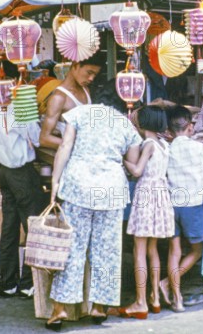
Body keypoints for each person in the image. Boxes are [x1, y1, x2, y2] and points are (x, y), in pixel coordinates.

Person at [47, 104, 142, 330]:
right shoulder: (124, 122)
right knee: (107, 250)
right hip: (111, 188)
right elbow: (132, 160)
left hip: (79, 185)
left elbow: (65, 147)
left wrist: (55, 182)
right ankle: (99, 307)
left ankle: (59, 309)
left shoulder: (79, 113)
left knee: (72, 248)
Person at [0, 83, 48, 299]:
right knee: (33, 226)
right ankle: (27, 283)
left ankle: (7, 282)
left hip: (4, 171)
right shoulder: (20, 104)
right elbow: (39, 138)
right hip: (21, 172)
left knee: (10, 228)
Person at [159, 105, 203, 312]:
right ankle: (167, 283)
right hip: (192, 204)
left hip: (171, 204)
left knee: (174, 251)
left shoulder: (166, 149)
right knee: (198, 249)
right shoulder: (199, 148)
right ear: (189, 127)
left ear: (169, 130)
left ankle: (176, 297)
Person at [121, 106, 175, 319]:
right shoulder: (163, 144)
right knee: (152, 249)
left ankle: (140, 302)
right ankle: (154, 298)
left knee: (139, 249)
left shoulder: (148, 144)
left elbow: (136, 171)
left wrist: (120, 159)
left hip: (146, 195)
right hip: (160, 195)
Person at [39, 52, 105, 149]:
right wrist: (81, 146)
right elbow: (44, 139)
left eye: (95, 75)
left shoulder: (85, 89)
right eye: (89, 72)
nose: (91, 78)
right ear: (75, 65)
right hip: (72, 152)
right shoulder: (59, 98)